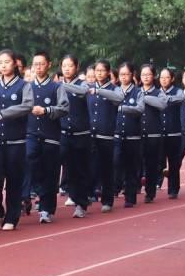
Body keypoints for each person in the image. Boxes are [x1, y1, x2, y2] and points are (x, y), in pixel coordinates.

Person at [0, 49, 33, 231]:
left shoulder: (23, 86)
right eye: (0, 62)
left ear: (15, 63)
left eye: (7, 62)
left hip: (16, 141)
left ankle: (12, 217)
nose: (3, 65)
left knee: (14, 180)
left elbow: (27, 105)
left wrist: (5, 114)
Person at [22, 51, 68, 224]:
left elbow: (64, 108)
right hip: (31, 134)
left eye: (42, 64)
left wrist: (47, 110)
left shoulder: (57, 87)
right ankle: (27, 195)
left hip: (51, 136)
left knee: (50, 173)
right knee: (28, 160)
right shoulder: (27, 87)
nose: (38, 67)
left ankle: (46, 209)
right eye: (35, 64)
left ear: (49, 64)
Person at [87, 60, 125, 212]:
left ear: (109, 72)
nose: (99, 73)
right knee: (90, 166)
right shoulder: (89, 89)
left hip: (107, 135)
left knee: (106, 168)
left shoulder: (114, 89)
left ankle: (107, 200)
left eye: (102, 71)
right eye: (97, 71)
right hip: (90, 134)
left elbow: (118, 99)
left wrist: (98, 91)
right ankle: (89, 195)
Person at [61, 55, 93, 218]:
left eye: (70, 66)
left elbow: (82, 92)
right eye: (64, 66)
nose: (66, 69)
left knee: (80, 170)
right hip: (63, 134)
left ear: (76, 67)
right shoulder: (58, 86)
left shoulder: (83, 84)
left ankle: (81, 203)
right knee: (67, 170)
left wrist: (62, 86)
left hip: (81, 135)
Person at [115, 62, 144, 208]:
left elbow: (140, 109)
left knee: (131, 167)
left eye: (126, 74)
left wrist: (123, 108)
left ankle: (130, 197)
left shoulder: (138, 92)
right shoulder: (114, 91)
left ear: (132, 75)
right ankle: (115, 188)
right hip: (117, 135)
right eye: (121, 74)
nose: (124, 77)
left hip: (133, 136)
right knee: (116, 162)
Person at [139, 64, 167, 203]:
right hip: (137, 133)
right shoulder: (136, 91)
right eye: (143, 74)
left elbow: (162, 105)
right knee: (135, 163)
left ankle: (150, 193)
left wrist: (144, 97)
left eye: (148, 74)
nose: (145, 77)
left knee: (151, 164)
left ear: (154, 76)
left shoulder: (158, 92)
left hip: (153, 134)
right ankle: (133, 189)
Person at [158, 68, 185, 199]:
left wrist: (165, 98)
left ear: (172, 79)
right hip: (159, 133)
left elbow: (180, 99)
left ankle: (173, 189)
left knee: (174, 162)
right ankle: (155, 185)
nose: (163, 80)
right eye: (161, 77)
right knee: (158, 161)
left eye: (166, 77)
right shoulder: (156, 92)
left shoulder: (178, 91)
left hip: (174, 133)